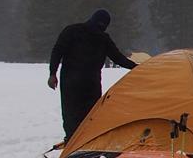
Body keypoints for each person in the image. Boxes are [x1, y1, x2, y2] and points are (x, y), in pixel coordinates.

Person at [48, 8, 138, 140]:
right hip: (81, 82)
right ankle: (78, 141)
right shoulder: (82, 33)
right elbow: (118, 58)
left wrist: (137, 68)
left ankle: (77, 140)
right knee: (83, 114)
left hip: (80, 83)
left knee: (78, 114)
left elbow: (57, 51)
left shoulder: (78, 32)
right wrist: (52, 73)